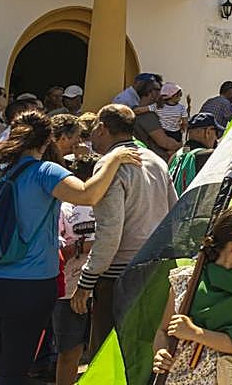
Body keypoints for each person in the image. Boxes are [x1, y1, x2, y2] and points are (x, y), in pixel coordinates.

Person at [0, 111, 139, 385]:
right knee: (13, 369)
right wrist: (113, 159)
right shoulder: (46, 172)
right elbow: (87, 194)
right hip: (30, 284)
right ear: (45, 141)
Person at [73, 104, 178, 354]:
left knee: (113, 353)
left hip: (120, 274)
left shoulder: (110, 164)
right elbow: (174, 213)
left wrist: (87, 280)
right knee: (146, 350)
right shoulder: (155, 159)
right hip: (156, 266)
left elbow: (110, 230)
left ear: (102, 128)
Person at [151, 205, 232, 385]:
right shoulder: (187, 280)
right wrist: (160, 353)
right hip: (175, 378)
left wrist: (196, 333)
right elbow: (163, 330)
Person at [54, 155, 98, 385]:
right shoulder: (61, 208)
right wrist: (83, 246)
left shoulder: (109, 203)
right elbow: (58, 249)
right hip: (70, 290)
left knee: (99, 350)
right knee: (69, 351)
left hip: (104, 285)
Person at [169, 112, 223, 194]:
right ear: (207, 132)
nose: (216, 138)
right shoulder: (209, 156)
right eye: (217, 134)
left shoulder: (174, 157)